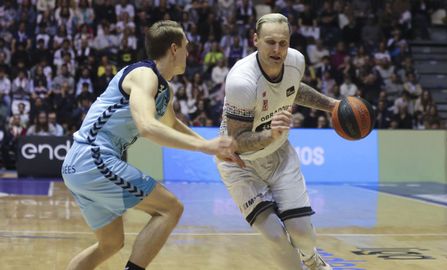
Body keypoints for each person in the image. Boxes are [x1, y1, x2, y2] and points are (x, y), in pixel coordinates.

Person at [61, 20, 243, 270]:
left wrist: (213, 148)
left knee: (110, 244)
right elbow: (147, 127)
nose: (189, 53)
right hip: (93, 156)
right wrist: (205, 147)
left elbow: (170, 124)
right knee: (170, 208)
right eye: (186, 47)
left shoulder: (164, 90)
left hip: (79, 165)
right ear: (174, 49)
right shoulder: (144, 75)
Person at [216, 13, 339, 270]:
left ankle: (312, 259)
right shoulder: (242, 81)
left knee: (303, 234)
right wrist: (269, 135)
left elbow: (293, 89)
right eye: (270, 42)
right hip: (241, 166)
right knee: (274, 235)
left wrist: (332, 105)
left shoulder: (296, 61)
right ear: (255, 40)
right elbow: (236, 140)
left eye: (283, 43)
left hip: (279, 155)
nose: (277, 49)